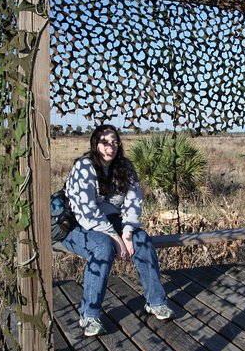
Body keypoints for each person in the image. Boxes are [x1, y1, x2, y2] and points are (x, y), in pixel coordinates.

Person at [62, 124, 175, 336]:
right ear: (95, 144)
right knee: (102, 247)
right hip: (77, 225)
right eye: (105, 142)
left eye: (114, 142)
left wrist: (127, 232)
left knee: (141, 240)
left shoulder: (125, 167)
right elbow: (86, 211)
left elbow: (134, 202)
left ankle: (156, 302)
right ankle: (89, 316)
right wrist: (115, 237)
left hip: (112, 222)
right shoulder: (84, 167)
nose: (110, 146)